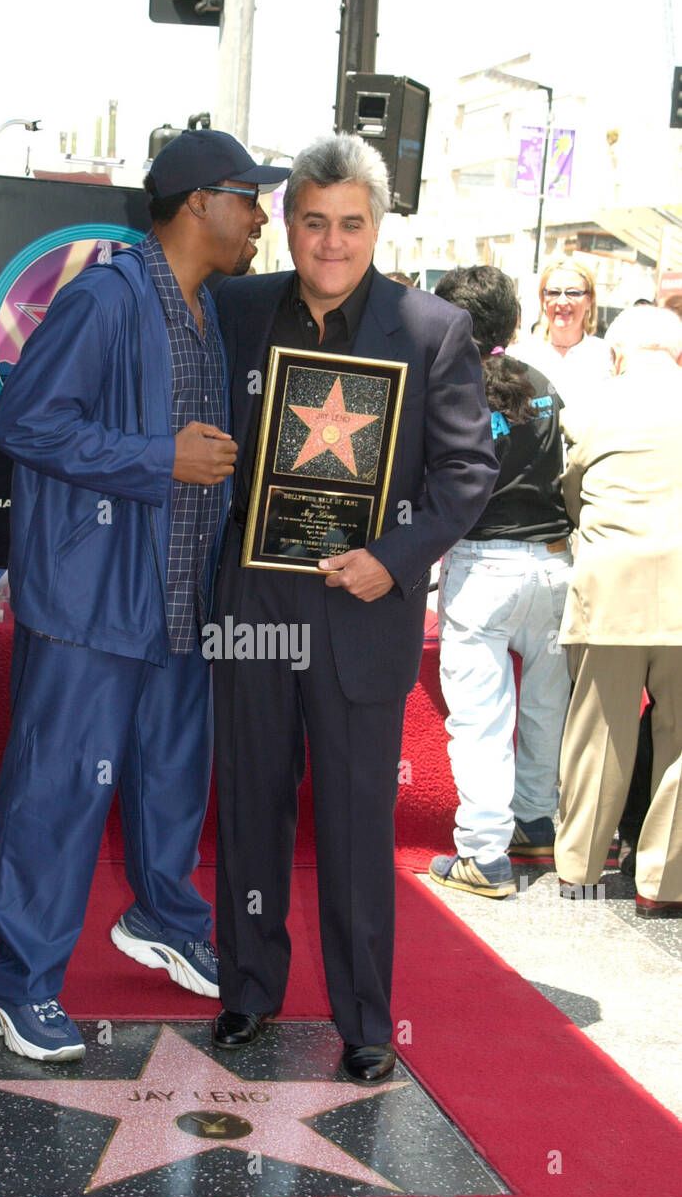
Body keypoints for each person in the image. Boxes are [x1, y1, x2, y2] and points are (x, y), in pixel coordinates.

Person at [0, 130, 289, 1063]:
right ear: (199, 202)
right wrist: (162, 458)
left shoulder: (205, 307)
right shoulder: (107, 299)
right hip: (93, 601)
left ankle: (163, 916)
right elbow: (23, 420)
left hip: (182, 597)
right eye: (250, 198)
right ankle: (18, 985)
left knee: (170, 777)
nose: (260, 217)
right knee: (61, 789)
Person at [210, 133, 498, 1084]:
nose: (331, 243)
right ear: (287, 223)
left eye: (351, 224)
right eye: (313, 222)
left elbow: (466, 477)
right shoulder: (240, 308)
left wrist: (393, 559)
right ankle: (248, 992)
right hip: (254, 608)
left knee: (356, 827)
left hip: (361, 616)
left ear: (378, 226)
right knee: (250, 812)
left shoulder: (430, 330)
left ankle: (366, 1020)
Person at [427, 266, 571, 898]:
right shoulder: (542, 383)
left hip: (483, 566)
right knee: (544, 705)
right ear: (512, 321)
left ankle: (484, 855)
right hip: (553, 561)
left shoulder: (449, 387)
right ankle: (537, 824)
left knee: (482, 719)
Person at [554, 306, 682, 918]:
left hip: (610, 586)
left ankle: (579, 866)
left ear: (616, 355)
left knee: (597, 733)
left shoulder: (592, 407)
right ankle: (664, 878)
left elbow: (573, 492)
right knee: (680, 741)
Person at [513, 257, 610, 406]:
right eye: (553, 293)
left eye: (573, 293)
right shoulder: (521, 357)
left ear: (589, 300)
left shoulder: (606, 356)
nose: (562, 302)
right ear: (542, 300)